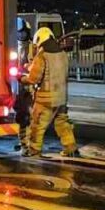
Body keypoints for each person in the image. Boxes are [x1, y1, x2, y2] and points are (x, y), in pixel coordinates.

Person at [20, 27, 77, 158]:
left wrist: (21, 78)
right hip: (61, 97)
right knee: (62, 123)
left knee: (37, 126)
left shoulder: (42, 55)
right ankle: (70, 147)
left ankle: (34, 150)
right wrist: (30, 66)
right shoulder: (62, 54)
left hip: (45, 99)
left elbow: (34, 78)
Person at [12, 24, 34, 151]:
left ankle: (29, 141)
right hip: (17, 85)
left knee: (30, 115)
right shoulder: (13, 45)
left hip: (28, 85)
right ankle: (22, 141)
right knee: (20, 115)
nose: (21, 35)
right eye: (19, 32)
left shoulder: (32, 47)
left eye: (23, 32)